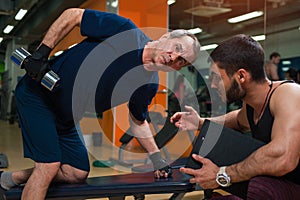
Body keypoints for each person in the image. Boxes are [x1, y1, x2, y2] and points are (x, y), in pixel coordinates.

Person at [0, 8, 200, 200]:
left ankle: (9, 179)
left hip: (67, 115)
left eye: (181, 61)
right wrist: (41, 54)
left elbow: (138, 122)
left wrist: (157, 159)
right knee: (49, 165)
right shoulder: (124, 31)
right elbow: (73, 15)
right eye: (177, 48)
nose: (174, 58)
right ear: (166, 37)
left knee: (76, 173)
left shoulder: (148, 85)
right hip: (38, 96)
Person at [170, 34, 300, 199]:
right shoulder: (252, 105)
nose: (212, 85)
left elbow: (283, 157)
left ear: (241, 76)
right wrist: (200, 122)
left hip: (293, 183)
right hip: (288, 182)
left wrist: (221, 175)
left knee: (260, 185)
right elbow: (237, 119)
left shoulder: (288, 94)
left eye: (217, 78)